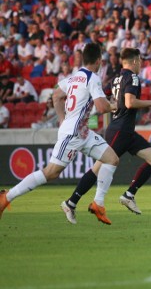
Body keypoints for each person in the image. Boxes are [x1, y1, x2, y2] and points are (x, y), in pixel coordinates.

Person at [0, 44, 119, 224]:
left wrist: (62, 118)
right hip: (72, 134)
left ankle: (98, 204)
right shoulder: (93, 78)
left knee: (112, 158)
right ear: (98, 61)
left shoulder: (74, 77)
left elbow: (56, 96)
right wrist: (114, 105)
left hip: (82, 132)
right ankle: (6, 197)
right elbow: (102, 107)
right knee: (51, 173)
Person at [62, 48, 151, 222]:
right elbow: (129, 102)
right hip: (120, 130)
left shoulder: (116, 78)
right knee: (99, 167)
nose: (141, 64)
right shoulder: (132, 77)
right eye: (140, 61)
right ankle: (72, 202)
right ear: (134, 62)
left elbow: (105, 96)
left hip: (126, 130)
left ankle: (129, 195)